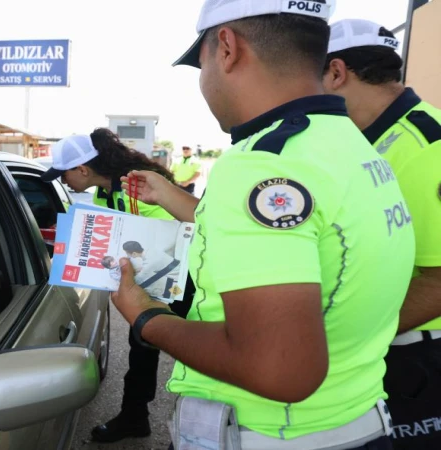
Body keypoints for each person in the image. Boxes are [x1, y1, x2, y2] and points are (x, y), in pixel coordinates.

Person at [112, 1, 415, 449]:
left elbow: (279, 369)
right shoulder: (347, 143)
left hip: (271, 434)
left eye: (202, 63)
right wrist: (172, 196)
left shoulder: (261, 165)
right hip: (354, 423)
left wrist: (145, 317)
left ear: (228, 48)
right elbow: (296, 240)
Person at [323, 19, 441, 449]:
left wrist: (336, 340)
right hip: (381, 348)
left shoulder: (428, 145)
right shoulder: (370, 141)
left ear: (336, 73)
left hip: (417, 359)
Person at [40, 129, 195, 443]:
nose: (63, 182)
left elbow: (182, 231)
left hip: (182, 281)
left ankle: (197, 426)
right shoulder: (103, 193)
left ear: (82, 169)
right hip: (147, 282)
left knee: (193, 350)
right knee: (142, 347)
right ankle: (135, 416)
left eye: (64, 175)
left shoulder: (137, 187)